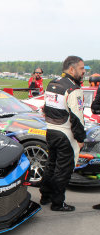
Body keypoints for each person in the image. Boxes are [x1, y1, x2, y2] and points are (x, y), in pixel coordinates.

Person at [40, 56, 86, 212]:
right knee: (63, 170)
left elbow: (45, 108)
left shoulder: (52, 83)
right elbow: (77, 118)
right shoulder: (73, 88)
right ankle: (58, 203)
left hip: (50, 131)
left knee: (50, 165)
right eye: (81, 68)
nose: (84, 71)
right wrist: (80, 139)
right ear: (71, 69)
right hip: (66, 134)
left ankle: (45, 196)